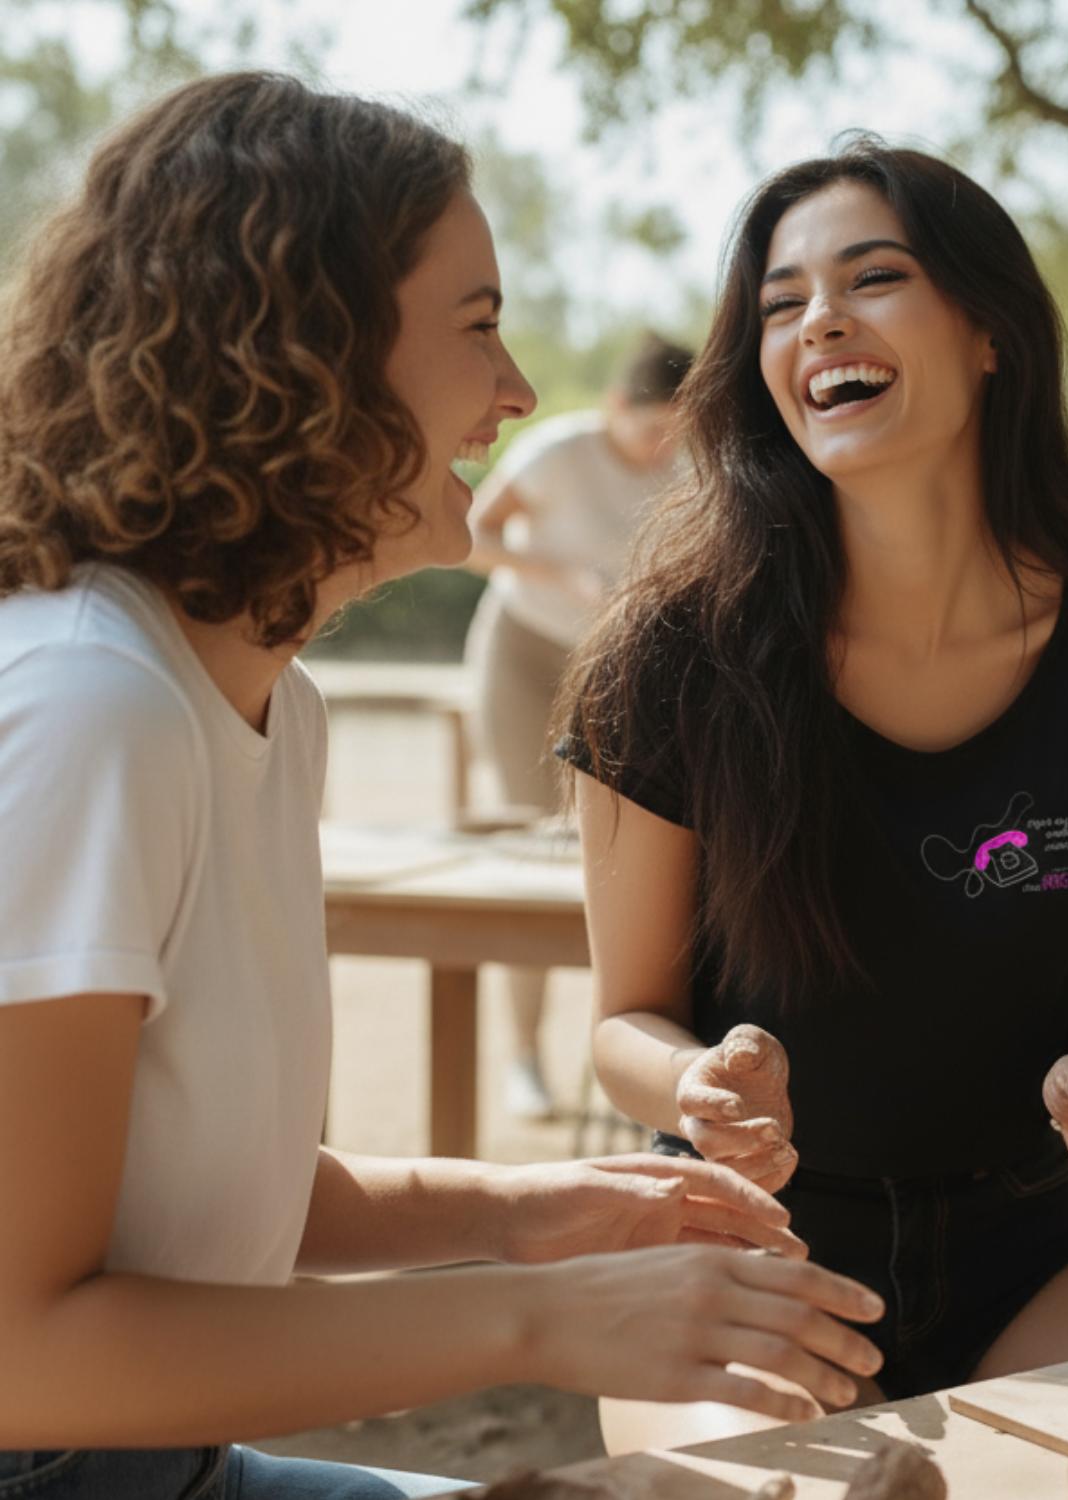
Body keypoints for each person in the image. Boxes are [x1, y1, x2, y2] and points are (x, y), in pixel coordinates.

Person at [0, 73, 886, 1500]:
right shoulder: (89, 711)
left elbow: (192, 1210)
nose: (520, 391)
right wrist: (536, 1319)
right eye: (478, 326)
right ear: (300, 349)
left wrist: (536, 1214)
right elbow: (18, 1351)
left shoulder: (265, 702)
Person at [553, 137, 1068, 1456]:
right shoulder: (670, 653)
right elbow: (623, 1020)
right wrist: (698, 1083)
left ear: (989, 331)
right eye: (781, 301)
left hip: (1034, 1259)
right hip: (740, 1259)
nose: (821, 317)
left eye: (873, 278)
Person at [463, 333, 692, 1119]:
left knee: (630, 851)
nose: (663, 445)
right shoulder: (556, 453)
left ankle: (628, 1057)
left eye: (679, 428)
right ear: (615, 408)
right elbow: (469, 536)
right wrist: (557, 574)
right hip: (524, 651)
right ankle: (524, 1056)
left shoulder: (689, 466)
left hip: (617, 661)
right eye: (652, 426)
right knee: (534, 839)